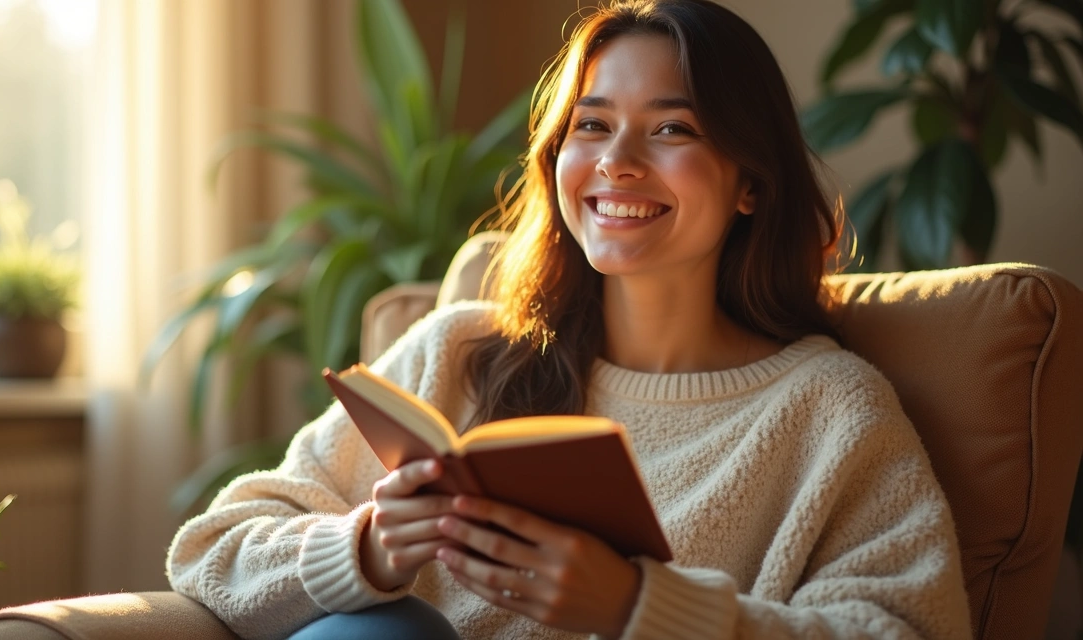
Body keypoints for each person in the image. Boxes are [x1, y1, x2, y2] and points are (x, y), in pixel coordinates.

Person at [166, 1, 974, 638]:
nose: (616, 160)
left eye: (672, 128)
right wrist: (369, 549)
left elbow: (902, 630)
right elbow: (211, 552)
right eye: (590, 125)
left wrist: (636, 607)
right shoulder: (456, 353)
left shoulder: (830, 409)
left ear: (749, 185)